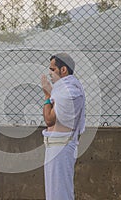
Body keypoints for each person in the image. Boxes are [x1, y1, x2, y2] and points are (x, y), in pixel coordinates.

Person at [41, 53, 85, 200]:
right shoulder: (62, 90)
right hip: (54, 145)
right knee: (53, 192)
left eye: (53, 69)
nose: (50, 73)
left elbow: (49, 120)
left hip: (61, 146)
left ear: (63, 70)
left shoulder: (69, 92)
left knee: (60, 192)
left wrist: (47, 95)